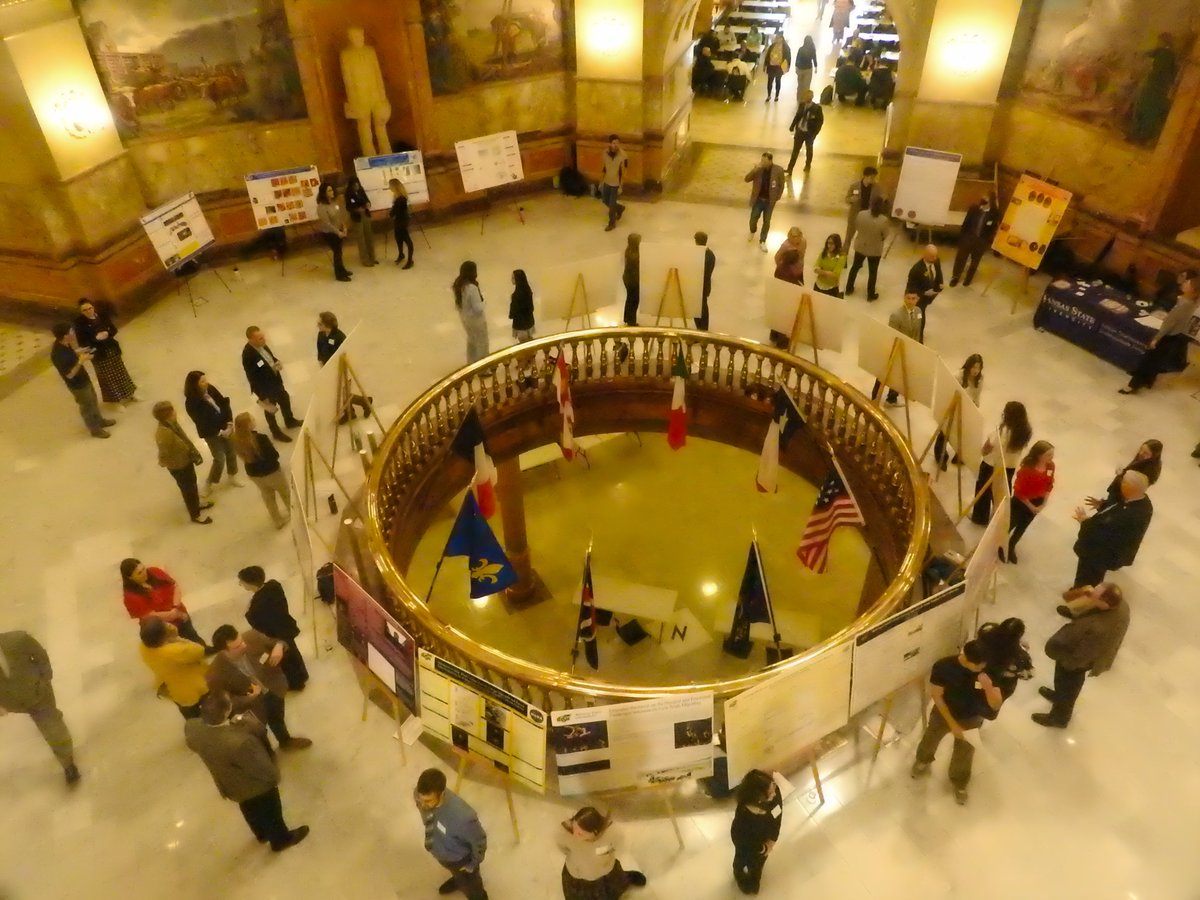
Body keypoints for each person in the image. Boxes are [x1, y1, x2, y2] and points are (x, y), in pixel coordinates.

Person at [184, 691, 310, 852]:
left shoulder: (192, 727)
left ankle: (261, 833)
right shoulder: (240, 742)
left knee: (248, 807)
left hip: (228, 783)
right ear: (226, 711)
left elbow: (193, 744)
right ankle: (281, 840)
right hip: (256, 785)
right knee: (269, 810)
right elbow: (262, 769)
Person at [910, 639, 1004, 805]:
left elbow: (996, 704)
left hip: (972, 717)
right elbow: (937, 696)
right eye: (978, 666)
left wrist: (988, 687)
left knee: (965, 752)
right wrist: (952, 724)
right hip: (944, 713)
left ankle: (959, 782)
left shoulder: (988, 671)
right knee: (930, 739)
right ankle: (922, 760)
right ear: (967, 659)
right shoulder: (944, 667)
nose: (982, 668)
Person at [1032, 584, 1129, 729]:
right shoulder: (1122, 605)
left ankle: (1059, 718)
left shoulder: (1098, 629)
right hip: (1081, 652)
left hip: (1076, 662)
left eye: (1094, 595)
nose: (1090, 593)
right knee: (1061, 684)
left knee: (1068, 687)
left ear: (1104, 603)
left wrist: (1067, 663)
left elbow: (1082, 655)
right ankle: (1058, 696)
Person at [206, 625, 312, 751]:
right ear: (223, 651)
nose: (244, 645)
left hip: (273, 689)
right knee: (259, 733)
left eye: (242, 641)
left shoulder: (252, 637)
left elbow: (280, 642)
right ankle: (267, 755)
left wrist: (279, 646)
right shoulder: (215, 674)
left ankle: (284, 740)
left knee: (277, 718)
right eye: (237, 646)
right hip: (251, 708)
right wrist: (248, 698)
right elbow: (224, 703)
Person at [0, 630, 80, 786]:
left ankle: (68, 763)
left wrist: (44, 680)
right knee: (48, 724)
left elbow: (40, 656)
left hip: (38, 694)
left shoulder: (18, 640)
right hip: (13, 702)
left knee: (51, 728)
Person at [1068, 470, 1153, 589]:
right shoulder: (1140, 501)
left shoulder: (1133, 515)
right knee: (1086, 576)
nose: (1120, 484)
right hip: (1102, 551)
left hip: (1101, 553)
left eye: (1123, 482)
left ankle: (1078, 603)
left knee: (1088, 579)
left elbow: (1104, 532)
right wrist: (1102, 505)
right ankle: (1078, 591)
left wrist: (1085, 521)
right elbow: (1115, 509)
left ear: (1130, 488)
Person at [415, 767, 489, 900]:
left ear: (442, 794)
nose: (423, 805)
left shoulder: (463, 817)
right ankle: (458, 880)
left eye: (428, 801)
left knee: (473, 889)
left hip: (460, 859)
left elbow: (480, 842)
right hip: (443, 854)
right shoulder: (419, 795)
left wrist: (471, 865)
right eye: (420, 800)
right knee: (457, 874)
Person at [1120, 269, 1198, 393]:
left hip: (1168, 335)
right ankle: (1148, 380)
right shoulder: (1192, 303)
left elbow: (1169, 323)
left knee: (1149, 359)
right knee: (1157, 359)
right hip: (1175, 335)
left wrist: (1157, 338)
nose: (1184, 284)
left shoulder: (1184, 304)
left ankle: (1133, 385)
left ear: (1192, 289)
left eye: (1187, 283)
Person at [239, 566, 307, 692]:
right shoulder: (273, 585)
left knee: (286, 662)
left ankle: (296, 683)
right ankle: (302, 675)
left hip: (275, 636)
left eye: (242, 582)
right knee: (294, 653)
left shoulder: (257, 607)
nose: (241, 584)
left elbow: (255, 622)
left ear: (249, 583)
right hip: (287, 627)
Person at [556, 806, 646, 898]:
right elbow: (563, 848)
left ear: (595, 832)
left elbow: (616, 845)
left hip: (603, 875)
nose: (574, 835)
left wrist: (600, 854)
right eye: (574, 828)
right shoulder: (565, 835)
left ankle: (626, 879)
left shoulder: (610, 834)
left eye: (580, 833)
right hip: (577, 875)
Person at [121, 559, 208, 649]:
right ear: (130, 578)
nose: (144, 573)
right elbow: (149, 615)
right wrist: (174, 614)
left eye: (143, 569)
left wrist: (175, 607)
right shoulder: (130, 597)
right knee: (180, 648)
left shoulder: (154, 572)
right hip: (163, 628)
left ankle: (203, 649)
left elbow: (174, 585)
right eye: (139, 573)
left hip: (180, 613)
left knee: (193, 636)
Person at [969, 400, 1032, 525]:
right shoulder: (1025, 432)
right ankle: (999, 520)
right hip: (1009, 466)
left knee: (983, 491)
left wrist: (982, 451)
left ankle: (980, 518)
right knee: (1001, 492)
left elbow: (986, 449)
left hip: (991, 465)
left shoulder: (1002, 432)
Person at [153, 400, 214, 525]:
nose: (175, 412)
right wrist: (163, 462)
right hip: (178, 465)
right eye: (172, 411)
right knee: (188, 489)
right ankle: (195, 514)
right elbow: (164, 452)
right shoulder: (164, 434)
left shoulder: (172, 424)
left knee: (191, 484)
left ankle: (196, 504)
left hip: (185, 460)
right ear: (167, 415)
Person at [50, 322, 115, 438]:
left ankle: (100, 420)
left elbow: (72, 354)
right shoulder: (58, 354)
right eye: (71, 331)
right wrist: (81, 361)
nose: (73, 333)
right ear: (65, 335)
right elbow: (69, 375)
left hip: (84, 378)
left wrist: (81, 351)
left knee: (93, 400)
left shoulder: (65, 344)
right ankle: (95, 429)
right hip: (78, 385)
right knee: (87, 406)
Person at [183, 370, 242, 498]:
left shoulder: (211, 389)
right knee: (219, 458)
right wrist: (221, 431)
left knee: (232, 452)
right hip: (211, 433)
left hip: (226, 426)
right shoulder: (192, 403)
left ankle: (232, 475)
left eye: (205, 379)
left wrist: (229, 424)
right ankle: (209, 482)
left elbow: (224, 404)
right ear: (195, 385)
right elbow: (202, 421)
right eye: (202, 381)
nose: (206, 383)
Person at [137, 618, 209, 719]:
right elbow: (199, 651)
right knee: (203, 712)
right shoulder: (175, 651)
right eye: (165, 624)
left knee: (189, 715)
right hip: (192, 688)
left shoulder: (143, 647)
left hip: (174, 689)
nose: (167, 624)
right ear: (163, 635)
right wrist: (176, 639)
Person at [241, 326, 303, 443]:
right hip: (266, 388)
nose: (264, 340)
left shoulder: (262, 345)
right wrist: (263, 396)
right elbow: (252, 377)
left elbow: (269, 357)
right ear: (251, 340)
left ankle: (289, 420)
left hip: (275, 382)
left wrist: (276, 362)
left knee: (285, 398)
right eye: (260, 338)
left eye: (263, 337)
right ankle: (275, 432)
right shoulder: (248, 356)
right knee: (271, 410)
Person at [230, 413, 291, 530]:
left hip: (254, 474)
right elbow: (273, 455)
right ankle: (293, 511)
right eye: (252, 419)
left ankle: (277, 520)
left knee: (268, 497)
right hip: (271, 471)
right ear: (248, 426)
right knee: (285, 493)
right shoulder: (260, 438)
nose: (254, 420)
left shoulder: (235, 439)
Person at [73, 298, 138, 405]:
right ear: (81, 312)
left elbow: (113, 329)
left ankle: (130, 394)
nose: (89, 311)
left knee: (121, 372)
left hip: (111, 348)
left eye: (90, 308)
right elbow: (83, 343)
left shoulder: (102, 316)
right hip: (99, 353)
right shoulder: (80, 324)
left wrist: (107, 333)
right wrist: (96, 339)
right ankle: (117, 402)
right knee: (108, 379)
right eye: (85, 310)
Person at [729, 769, 781, 894]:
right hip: (746, 843)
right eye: (770, 791)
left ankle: (755, 875)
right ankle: (739, 873)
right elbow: (744, 841)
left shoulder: (774, 791)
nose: (774, 793)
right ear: (758, 796)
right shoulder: (744, 814)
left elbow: (778, 814)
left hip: (764, 836)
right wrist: (763, 848)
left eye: (773, 786)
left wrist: (772, 840)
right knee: (742, 859)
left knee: (759, 862)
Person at [1004, 440, 1055, 564]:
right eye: (1048, 455)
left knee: (1023, 526)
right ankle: (1001, 546)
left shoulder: (1050, 466)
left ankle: (1011, 546)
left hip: (1037, 501)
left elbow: (1049, 484)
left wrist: (1044, 503)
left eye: (1052, 455)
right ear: (1039, 455)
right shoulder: (1027, 470)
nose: (1051, 458)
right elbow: (1018, 491)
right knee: (1010, 525)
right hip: (1021, 502)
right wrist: (1030, 506)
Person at [872, 291, 923, 405]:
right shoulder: (896, 315)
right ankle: (874, 397)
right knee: (884, 374)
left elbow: (918, 331)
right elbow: (892, 335)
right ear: (904, 298)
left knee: (899, 376)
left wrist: (916, 347)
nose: (910, 301)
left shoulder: (919, 312)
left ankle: (892, 398)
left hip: (908, 350)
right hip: (894, 350)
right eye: (908, 298)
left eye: (913, 298)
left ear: (917, 299)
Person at [933, 354, 983, 468]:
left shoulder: (980, 379)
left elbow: (976, 396)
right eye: (974, 367)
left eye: (978, 368)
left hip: (967, 407)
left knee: (965, 433)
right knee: (945, 432)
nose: (976, 370)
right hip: (953, 407)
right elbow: (949, 393)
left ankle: (960, 455)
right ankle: (940, 457)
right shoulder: (958, 376)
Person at [1085, 439, 1162, 512]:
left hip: (1121, 496)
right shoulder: (1142, 461)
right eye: (1141, 449)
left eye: (1146, 453)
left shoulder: (1147, 472)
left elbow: (1131, 485)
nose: (1141, 453)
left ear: (1153, 456)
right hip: (1118, 492)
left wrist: (1121, 474)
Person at [844, 195, 890, 300]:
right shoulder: (883, 220)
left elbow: (857, 226)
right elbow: (885, 235)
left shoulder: (861, 214)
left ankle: (849, 288)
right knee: (873, 272)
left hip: (860, 246)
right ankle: (870, 294)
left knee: (855, 267)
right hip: (875, 250)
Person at [950, 195, 999, 287]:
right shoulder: (974, 209)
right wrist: (962, 238)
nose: (982, 205)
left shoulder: (994, 213)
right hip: (968, 238)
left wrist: (986, 241)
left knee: (975, 261)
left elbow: (993, 229)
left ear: (991, 203)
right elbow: (965, 223)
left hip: (981, 241)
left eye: (986, 202)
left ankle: (968, 279)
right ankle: (955, 277)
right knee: (960, 259)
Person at [975, 618, 1033, 695]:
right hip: (1000, 685)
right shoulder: (1020, 657)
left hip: (979, 672)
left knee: (977, 689)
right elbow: (1028, 675)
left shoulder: (986, 629)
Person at [745, 153, 785, 252]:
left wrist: (777, 197)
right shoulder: (758, 169)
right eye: (762, 160)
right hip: (758, 199)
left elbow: (781, 184)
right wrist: (754, 170)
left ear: (770, 161)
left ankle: (762, 240)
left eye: (765, 161)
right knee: (753, 218)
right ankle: (752, 230)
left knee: (766, 221)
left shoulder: (778, 170)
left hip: (769, 201)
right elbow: (747, 179)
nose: (762, 163)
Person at [315, 181, 353, 282]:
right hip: (330, 233)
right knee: (337, 252)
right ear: (324, 193)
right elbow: (327, 223)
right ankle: (339, 275)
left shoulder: (333, 202)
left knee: (339, 252)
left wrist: (344, 227)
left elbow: (339, 216)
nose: (332, 192)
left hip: (338, 230)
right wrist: (338, 232)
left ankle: (342, 270)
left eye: (332, 189)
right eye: (329, 190)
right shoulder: (321, 207)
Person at [454, 261, 490, 364]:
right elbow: (477, 308)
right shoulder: (472, 288)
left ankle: (471, 363)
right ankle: (483, 368)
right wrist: (484, 302)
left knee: (472, 342)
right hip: (477, 321)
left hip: (466, 319)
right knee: (482, 343)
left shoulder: (459, 286)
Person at [906, 244, 944, 340]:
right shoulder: (916, 270)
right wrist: (924, 293)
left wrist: (940, 285)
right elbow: (911, 288)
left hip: (928, 296)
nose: (934, 258)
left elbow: (939, 273)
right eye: (932, 256)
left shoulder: (936, 260)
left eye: (935, 256)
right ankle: (919, 338)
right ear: (925, 255)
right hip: (918, 300)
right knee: (920, 319)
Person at [785, 90, 824, 175]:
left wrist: (815, 133)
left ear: (811, 98)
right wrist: (792, 126)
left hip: (809, 133)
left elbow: (820, 122)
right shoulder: (802, 105)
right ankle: (790, 168)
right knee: (795, 151)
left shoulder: (817, 108)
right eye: (805, 96)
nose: (805, 98)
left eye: (807, 97)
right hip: (800, 131)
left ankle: (807, 165)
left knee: (809, 150)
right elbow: (798, 116)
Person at [843, 167, 877, 252]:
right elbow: (847, 199)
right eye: (872, 177)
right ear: (866, 176)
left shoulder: (875, 187)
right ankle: (844, 254)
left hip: (867, 216)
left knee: (865, 238)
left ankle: (861, 254)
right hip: (855, 215)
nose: (873, 180)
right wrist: (852, 199)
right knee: (849, 237)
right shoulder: (854, 186)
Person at [600, 134, 629, 231]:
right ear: (610, 144)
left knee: (611, 206)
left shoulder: (623, 156)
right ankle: (620, 208)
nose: (615, 145)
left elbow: (624, 172)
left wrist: (621, 185)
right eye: (613, 143)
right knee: (605, 200)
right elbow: (604, 168)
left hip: (616, 184)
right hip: (607, 181)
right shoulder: (605, 153)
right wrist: (601, 181)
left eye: (617, 143)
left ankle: (611, 223)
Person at [389, 178, 415, 269]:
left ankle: (410, 260)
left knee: (406, 239)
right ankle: (401, 254)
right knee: (398, 237)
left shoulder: (401, 199)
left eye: (390, 186)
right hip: (399, 220)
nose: (389, 188)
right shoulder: (398, 197)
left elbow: (395, 211)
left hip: (401, 221)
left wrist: (391, 213)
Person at [695, 232, 716, 330]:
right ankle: (702, 328)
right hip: (705, 285)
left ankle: (702, 328)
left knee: (701, 308)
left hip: (700, 285)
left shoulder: (701, 255)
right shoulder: (711, 254)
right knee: (702, 306)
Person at [762, 34, 790, 103]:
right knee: (770, 81)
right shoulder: (772, 46)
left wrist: (787, 66)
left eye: (779, 38)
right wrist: (765, 65)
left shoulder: (785, 47)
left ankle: (776, 96)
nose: (777, 39)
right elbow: (767, 55)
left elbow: (788, 57)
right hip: (771, 66)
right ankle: (769, 95)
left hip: (779, 67)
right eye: (776, 38)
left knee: (778, 81)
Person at [509, 269, 535, 341]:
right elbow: (531, 308)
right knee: (530, 341)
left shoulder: (516, 295)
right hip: (529, 322)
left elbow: (514, 311)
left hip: (520, 325)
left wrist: (511, 315)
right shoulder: (528, 291)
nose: (511, 279)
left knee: (524, 344)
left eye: (513, 278)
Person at [622, 234, 641, 326]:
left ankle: (627, 318)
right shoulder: (634, 254)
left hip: (628, 278)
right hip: (632, 280)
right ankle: (631, 321)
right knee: (634, 300)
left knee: (630, 299)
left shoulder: (629, 250)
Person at [794, 36, 818, 100]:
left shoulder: (801, 49)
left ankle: (799, 98)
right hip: (808, 69)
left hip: (800, 69)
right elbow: (814, 59)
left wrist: (796, 67)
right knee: (806, 86)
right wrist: (816, 67)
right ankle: (805, 99)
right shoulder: (812, 50)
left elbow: (797, 59)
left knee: (800, 85)